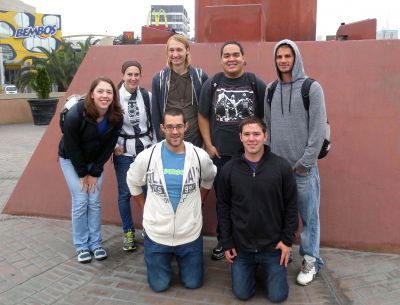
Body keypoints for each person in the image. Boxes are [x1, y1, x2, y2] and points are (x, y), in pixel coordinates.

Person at [126, 108, 216, 292]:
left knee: (193, 283)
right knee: (159, 286)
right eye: (170, 127)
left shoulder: (199, 156)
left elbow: (209, 178)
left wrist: (199, 202)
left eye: (178, 127)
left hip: (189, 234)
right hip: (157, 234)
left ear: (186, 127)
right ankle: (163, 260)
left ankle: (181, 259)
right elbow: (133, 182)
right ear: (162, 128)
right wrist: (145, 209)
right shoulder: (148, 157)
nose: (174, 132)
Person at [264, 39, 327, 285]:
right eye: (279, 56)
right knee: (279, 216)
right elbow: (267, 128)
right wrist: (270, 160)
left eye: (288, 56)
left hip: (303, 171)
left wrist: (304, 163)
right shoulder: (271, 90)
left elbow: (318, 131)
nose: (283, 60)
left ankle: (311, 260)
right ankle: (284, 252)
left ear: (296, 57)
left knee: (309, 218)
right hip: (278, 170)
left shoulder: (311, 88)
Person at [198, 40, 266, 260]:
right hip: (221, 157)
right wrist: (209, 145)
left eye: (235, 54)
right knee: (224, 202)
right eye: (226, 55)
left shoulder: (256, 83)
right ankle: (223, 240)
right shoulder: (213, 83)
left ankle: (249, 241)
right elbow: (202, 115)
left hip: (250, 157)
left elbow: (267, 116)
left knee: (251, 200)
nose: (231, 59)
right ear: (221, 60)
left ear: (243, 58)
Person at [217, 117, 298, 302]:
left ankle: (267, 271)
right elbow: (223, 207)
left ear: (265, 136)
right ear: (240, 137)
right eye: (247, 134)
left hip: (272, 246)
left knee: (278, 297)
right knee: (242, 294)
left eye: (256, 134)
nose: (251, 139)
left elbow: (291, 205)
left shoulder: (281, 167)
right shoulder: (229, 170)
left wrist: (287, 241)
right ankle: (251, 272)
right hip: (242, 248)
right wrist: (227, 242)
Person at [59, 77, 123, 263]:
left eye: (109, 92)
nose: (105, 95)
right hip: (72, 160)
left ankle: (96, 244)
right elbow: (72, 146)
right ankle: (81, 245)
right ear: (92, 94)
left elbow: (109, 146)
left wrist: (94, 172)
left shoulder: (116, 116)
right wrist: (83, 174)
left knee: (93, 200)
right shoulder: (76, 115)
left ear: (114, 95)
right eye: (100, 91)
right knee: (81, 199)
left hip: (95, 162)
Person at [113, 61, 155, 252]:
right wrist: (114, 145)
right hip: (124, 151)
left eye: (136, 74)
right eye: (129, 74)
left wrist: (154, 147)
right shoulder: (114, 98)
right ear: (123, 75)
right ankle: (128, 232)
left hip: (145, 150)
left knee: (148, 191)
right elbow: (107, 123)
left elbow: (155, 122)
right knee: (125, 193)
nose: (133, 78)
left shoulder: (147, 96)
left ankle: (149, 228)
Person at [151, 34, 208, 147]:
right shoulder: (159, 79)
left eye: (179, 50)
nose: (175, 54)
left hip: (195, 139)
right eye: (171, 50)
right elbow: (156, 114)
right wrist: (159, 140)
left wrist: (207, 142)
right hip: (169, 140)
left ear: (187, 50)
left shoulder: (200, 76)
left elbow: (206, 112)